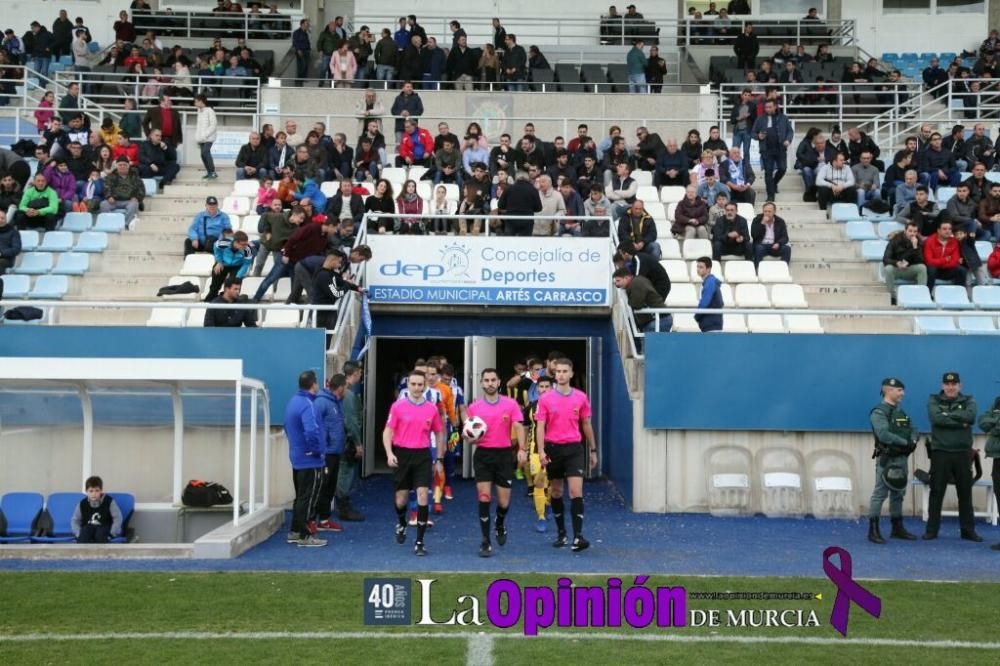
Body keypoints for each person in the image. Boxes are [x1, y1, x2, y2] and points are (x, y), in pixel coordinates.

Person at [535, 358, 597, 552]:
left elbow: (586, 424)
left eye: (565, 371)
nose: (561, 374)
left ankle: (578, 537)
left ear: (571, 374)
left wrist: (593, 450)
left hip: (574, 449)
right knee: (556, 492)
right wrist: (542, 450)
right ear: (555, 375)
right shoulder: (545, 399)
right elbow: (540, 426)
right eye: (558, 371)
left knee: (576, 492)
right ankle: (561, 533)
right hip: (553, 449)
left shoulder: (580, 397)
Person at [465, 368, 526, 557]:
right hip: (483, 456)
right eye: (486, 380)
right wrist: (469, 438)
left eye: (493, 380)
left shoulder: (511, 404)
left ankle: (500, 523)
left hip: (504, 456)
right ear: (482, 383)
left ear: (499, 382)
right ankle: (485, 541)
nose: (490, 383)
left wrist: (522, 449)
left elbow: (518, 425)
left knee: (503, 502)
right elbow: (468, 432)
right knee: (484, 497)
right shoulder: (474, 407)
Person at [384, 369, 444, 556]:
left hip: (422, 456)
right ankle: (402, 522)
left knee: (423, 496)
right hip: (402, 454)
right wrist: (389, 453)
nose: (417, 388)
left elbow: (439, 433)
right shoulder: (398, 407)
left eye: (420, 385)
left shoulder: (431, 408)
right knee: (401, 499)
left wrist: (439, 458)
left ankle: (419, 541)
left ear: (425, 386)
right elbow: (387, 431)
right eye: (413, 384)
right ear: (408, 385)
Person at [924, 372, 982, 542]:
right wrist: (959, 421)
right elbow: (936, 419)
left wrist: (947, 416)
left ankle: (968, 530)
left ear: (959, 386)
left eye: (954, 384)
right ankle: (931, 530)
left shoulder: (969, 401)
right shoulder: (934, 400)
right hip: (940, 452)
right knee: (936, 493)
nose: (950, 387)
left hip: (963, 453)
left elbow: (970, 417)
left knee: (965, 493)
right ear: (943, 386)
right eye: (947, 384)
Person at [866, 377, 919, 544]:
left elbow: (913, 429)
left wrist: (914, 441)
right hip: (887, 458)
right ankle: (873, 530)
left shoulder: (900, 412)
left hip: (901, 459)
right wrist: (905, 443)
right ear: (888, 390)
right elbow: (883, 434)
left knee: (899, 493)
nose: (902, 393)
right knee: (880, 494)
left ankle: (897, 528)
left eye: (902, 390)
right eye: (899, 390)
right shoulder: (879, 412)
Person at [285, 370, 327, 547]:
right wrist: (316, 451)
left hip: (297, 457)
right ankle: (305, 535)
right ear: (313, 384)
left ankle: (295, 530)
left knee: (301, 496)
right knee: (309, 497)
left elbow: (287, 427)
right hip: (310, 460)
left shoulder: (293, 402)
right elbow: (311, 430)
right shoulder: (307, 404)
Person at [313, 374, 347, 533]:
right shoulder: (321, 402)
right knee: (322, 486)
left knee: (330, 486)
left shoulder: (337, 402)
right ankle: (313, 519)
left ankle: (324, 519)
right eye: (345, 386)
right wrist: (322, 445)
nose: (347, 389)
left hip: (335, 451)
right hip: (326, 452)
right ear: (340, 387)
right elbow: (314, 424)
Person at [337, 361, 366, 522]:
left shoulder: (346, 393)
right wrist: (358, 443)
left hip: (343, 439)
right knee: (345, 473)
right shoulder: (348, 395)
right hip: (347, 441)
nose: (361, 375)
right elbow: (351, 421)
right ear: (354, 373)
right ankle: (343, 508)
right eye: (359, 372)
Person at [751, 100, 793, 202]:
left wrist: (788, 140)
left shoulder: (783, 118)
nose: (767, 109)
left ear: (775, 107)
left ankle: (773, 184)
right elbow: (753, 133)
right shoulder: (760, 119)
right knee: (768, 172)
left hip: (780, 148)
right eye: (766, 107)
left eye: (770, 107)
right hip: (766, 150)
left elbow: (790, 131)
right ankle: (770, 195)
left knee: (783, 169)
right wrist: (759, 136)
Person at [613, 266, 669, 333]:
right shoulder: (638, 281)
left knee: (649, 342)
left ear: (626, 278)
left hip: (658, 319)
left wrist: (629, 300)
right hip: (659, 319)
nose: (617, 284)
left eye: (618, 281)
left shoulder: (636, 284)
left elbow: (636, 304)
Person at [882, 222, 927, 303]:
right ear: (905, 231)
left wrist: (915, 247)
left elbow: (921, 261)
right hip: (897, 268)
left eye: (915, 231)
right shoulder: (895, 240)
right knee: (888, 268)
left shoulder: (918, 242)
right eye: (910, 231)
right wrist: (896, 263)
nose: (912, 234)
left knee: (922, 268)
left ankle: (920, 296)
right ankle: (892, 297)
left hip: (910, 269)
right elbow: (886, 259)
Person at [71, 476, 123, 543]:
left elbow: (118, 518)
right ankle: (83, 553)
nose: (94, 494)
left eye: (97, 491)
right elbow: (75, 520)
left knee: (100, 534)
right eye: (91, 491)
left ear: (101, 491)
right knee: (84, 533)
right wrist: (78, 534)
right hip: (88, 528)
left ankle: (101, 553)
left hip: (104, 528)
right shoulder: (82, 504)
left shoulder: (109, 501)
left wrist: (112, 534)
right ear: (86, 491)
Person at [205, 230, 253, 302]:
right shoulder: (223, 243)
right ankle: (210, 301)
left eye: (246, 244)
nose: (245, 246)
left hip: (237, 266)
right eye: (243, 244)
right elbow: (216, 247)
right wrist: (219, 261)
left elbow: (246, 264)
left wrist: (238, 277)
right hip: (223, 263)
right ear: (235, 242)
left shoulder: (247, 249)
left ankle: (232, 303)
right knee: (215, 285)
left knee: (234, 285)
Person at [497, 171, 542, 236]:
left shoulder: (509, 188)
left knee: (509, 243)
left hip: (511, 219)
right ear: (527, 178)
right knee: (525, 243)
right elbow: (539, 208)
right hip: (527, 220)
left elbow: (500, 205)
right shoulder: (533, 189)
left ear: (516, 178)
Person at [923, 220, 966, 287]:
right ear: (938, 230)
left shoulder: (954, 241)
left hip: (947, 269)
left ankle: (958, 294)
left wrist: (941, 263)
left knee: (961, 270)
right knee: (932, 269)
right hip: (934, 270)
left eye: (949, 229)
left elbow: (955, 261)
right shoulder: (929, 241)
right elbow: (929, 261)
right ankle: (928, 294)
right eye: (944, 229)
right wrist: (945, 260)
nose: (947, 231)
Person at [750, 202, 791, 267]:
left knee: (787, 249)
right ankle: (757, 269)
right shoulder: (757, 219)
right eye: (765, 211)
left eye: (769, 211)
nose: (767, 213)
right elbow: (754, 235)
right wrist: (762, 224)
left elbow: (785, 237)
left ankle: (783, 269)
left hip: (774, 245)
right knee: (759, 248)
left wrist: (778, 243)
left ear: (774, 212)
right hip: (761, 245)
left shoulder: (780, 221)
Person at [695, 256, 723, 332]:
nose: (698, 269)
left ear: (708, 269)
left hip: (711, 325)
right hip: (712, 323)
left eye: (701, 267)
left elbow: (704, 303)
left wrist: (696, 316)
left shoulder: (710, 283)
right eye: (697, 267)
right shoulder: (710, 282)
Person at [193, 94, 218, 180]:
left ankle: (213, 172)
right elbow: (199, 126)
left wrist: (205, 135)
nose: (195, 103)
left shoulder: (210, 111)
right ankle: (209, 172)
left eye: (196, 101)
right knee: (202, 155)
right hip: (201, 138)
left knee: (205, 153)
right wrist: (198, 136)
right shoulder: (199, 111)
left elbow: (213, 125)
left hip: (209, 137)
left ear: (201, 101)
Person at [0, 209, 21, 275]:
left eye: (2, 218)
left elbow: (16, 249)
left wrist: (1, 253)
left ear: (6, 219)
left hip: (6, 259)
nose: (0, 220)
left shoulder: (13, 232)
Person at [292, 19, 311, 85]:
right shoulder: (296, 32)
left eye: (308, 24)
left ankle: (301, 80)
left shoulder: (306, 33)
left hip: (306, 51)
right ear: (302, 24)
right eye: (307, 23)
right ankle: (298, 81)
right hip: (300, 51)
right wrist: (298, 50)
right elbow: (295, 42)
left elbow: (307, 42)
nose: (308, 25)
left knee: (305, 66)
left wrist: (309, 49)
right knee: (302, 66)